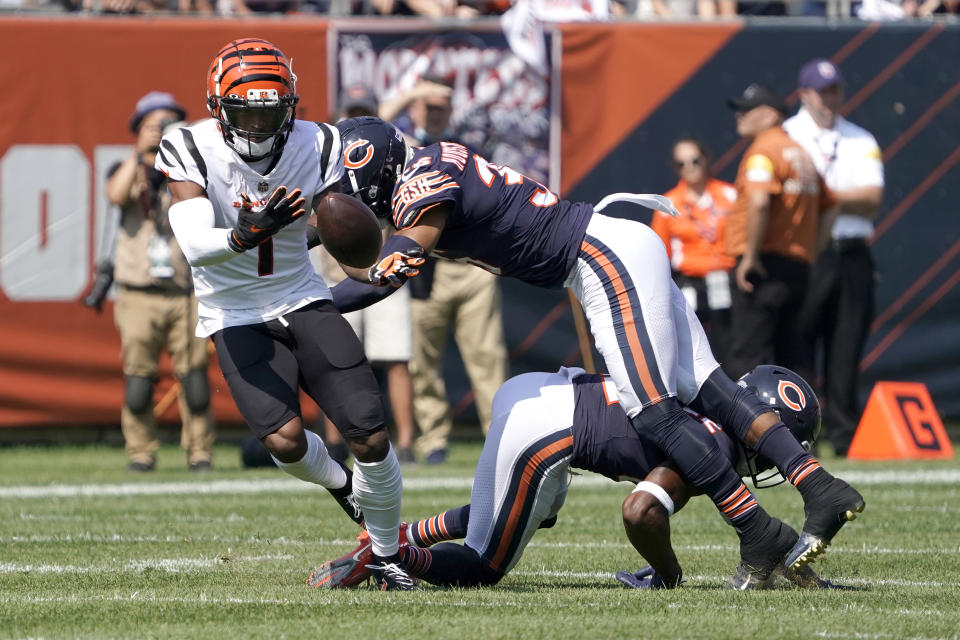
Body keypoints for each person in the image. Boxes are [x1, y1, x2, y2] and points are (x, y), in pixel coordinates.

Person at [328, 116, 864, 582]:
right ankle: (820, 487)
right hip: (613, 245)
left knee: (654, 413)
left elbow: (388, 272)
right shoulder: (429, 161)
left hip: (597, 257)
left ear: (374, 175)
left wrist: (308, 306)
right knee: (712, 390)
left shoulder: (422, 184)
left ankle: (758, 529)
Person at [154, 39, 414, 590]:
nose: (257, 124)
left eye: (269, 112)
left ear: (289, 106)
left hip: (301, 295)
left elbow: (339, 229)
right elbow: (195, 243)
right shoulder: (188, 146)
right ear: (216, 108)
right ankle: (343, 487)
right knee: (285, 442)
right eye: (244, 111)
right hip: (233, 310)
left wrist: (373, 269)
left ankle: (390, 558)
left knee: (370, 434)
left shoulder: (318, 142)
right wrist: (245, 232)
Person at [309, 365, 836, 591]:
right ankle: (391, 559)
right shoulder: (716, 441)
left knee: (528, 509)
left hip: (536, 389)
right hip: (551, 432)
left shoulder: (704, 390)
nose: (772, 455)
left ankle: (406, 536)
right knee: (484, 565)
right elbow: (641, 510)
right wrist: (669, 574)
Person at [380, 79, 510, 465]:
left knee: (487, 356)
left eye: (440, 108)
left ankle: (500, 435)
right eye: (427, 107)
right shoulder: (402, 145)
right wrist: (410, 94)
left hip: (470, 265)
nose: (434, 113)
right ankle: (433, 438)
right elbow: (375, 121)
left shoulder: (468, 145)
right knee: (423, 360)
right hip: (423, 264)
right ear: (415, 109)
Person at [87, 91, 215, 473]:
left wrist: (178, 151)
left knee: (195, 382)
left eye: (168, 124)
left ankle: (200, 452)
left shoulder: (191, 172)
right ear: (137, 129)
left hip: (186, 290)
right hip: (137, 293)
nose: (161, 131)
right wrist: (139, 151)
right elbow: (115, 194)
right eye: (153, 125)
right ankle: (141, 452)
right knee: (139, 383)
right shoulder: (125, 169)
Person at [784, 60, 884, 458]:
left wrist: (819, 197)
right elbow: (787, 198)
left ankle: (843, 436)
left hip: (851, 254)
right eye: (822, 91)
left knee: (846, 346)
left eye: (835, 90)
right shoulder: (787, 136)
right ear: (804, 94)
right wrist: (842, 199)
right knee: (798, 345)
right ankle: (798, 434)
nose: (830, 98)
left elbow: (871, 200)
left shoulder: (860, 138)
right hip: (806, 253)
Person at [315, 85, 418, 464]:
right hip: (334, 268)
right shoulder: (323, 155)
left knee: (395, 358)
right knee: (332, 359)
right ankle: (335, 441)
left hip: (385, 264)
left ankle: (405, 441)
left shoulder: (394, 148)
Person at [724, 83, 834, 381]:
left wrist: (749, 257)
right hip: (798, 268)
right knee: (793, 356)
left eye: (747, 109)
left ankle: (744, 427)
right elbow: (830, 206)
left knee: (747, 356)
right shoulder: (802, 155)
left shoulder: (763, 151)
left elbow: (759, 202)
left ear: (771, 114)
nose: (739, 116)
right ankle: (799, 426)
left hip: (763, 267)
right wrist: (813, 250)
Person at [652, 137, 736, 363]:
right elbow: (660, 253)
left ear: (706, 159)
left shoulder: (729, 195)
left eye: (694, 160)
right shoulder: (667, 204)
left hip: (725, 279)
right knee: (690, 346)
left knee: (728, 342)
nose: (689, 168)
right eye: (682, 164)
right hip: (688, 281)